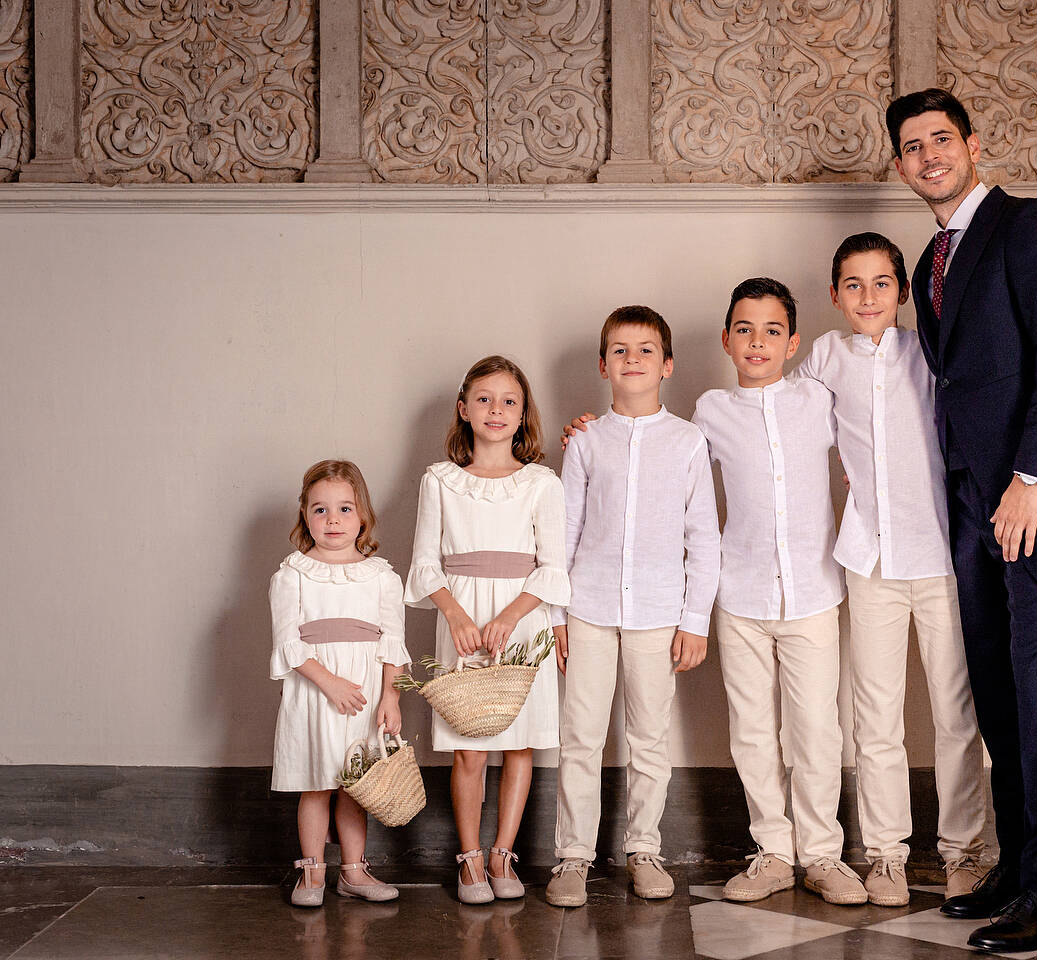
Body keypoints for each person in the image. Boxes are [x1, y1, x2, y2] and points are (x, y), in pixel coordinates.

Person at [886, 87, 1037, 953]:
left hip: (1034, 507)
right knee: (1003, 701)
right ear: (900, 165)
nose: (929, 156)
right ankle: (1020, 869)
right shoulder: (929, 261)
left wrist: (1031, 480)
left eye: (942, 139)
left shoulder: (1028, 224)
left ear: (973, 143)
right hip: (970, 513)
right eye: (912, 147)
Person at [793, 233, 988, 907]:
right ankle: (884, 854)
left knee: (956, 713)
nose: (868, 296)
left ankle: (964, 849)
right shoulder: (823, 356)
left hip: (941, 558)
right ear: (835, 294)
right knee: (874, 715)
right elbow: (779, 421)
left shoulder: (928, 352)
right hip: (868, 560)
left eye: (882, 283)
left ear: (904, 291)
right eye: (854, 284)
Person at [690, 278, 865, 905]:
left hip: (815, 591)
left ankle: (822, 853)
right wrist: (590, 432)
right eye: (744, 330)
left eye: (771, 331)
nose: (757, 342)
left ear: (792, 342)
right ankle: (772, 852)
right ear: (726, 340)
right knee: (753, 728)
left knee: (816, 727)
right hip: (739, 596)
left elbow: (872, 443)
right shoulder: (710, 411)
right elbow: (668, 471)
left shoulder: (818, 399)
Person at [545, 306, 721, 907]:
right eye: (619, 350)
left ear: (667, 365)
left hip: (658, 612)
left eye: (646, 350)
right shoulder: (587, 439)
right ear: (603, 365)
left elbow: (703, 536)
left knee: (649, 737)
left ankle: (644, 847)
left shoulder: (688, 440)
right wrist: (554, 616)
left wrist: (695, 619)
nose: (632, 360)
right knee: (581, 737)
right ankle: (573, 857)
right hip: (588, 608)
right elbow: (563, 530)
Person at [405, 355, 570, 904]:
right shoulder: (441, 480)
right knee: (469, 747)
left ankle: (504, 853)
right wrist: (456, 616)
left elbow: (552, 566)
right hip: (463, 618)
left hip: (520, 619)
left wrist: (509, 617)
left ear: (523, 415)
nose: (495, 410)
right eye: (483, 399)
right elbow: (425, 563)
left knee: (520, 745)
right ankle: (470, 859)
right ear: (463, 409)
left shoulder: (541, 483)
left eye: (509, 401)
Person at [269, 459, 410, 907]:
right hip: (315, 692)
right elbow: (288, 643)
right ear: (305, 516)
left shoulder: (382, 577)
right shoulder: (292, 574)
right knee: (316, 784)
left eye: (345, 509)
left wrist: (391, 696)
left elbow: (393, 644)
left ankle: (353, 871)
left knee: (356, 784)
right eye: (320, 510)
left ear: (363, 516)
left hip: (365, 696)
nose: (333, 520)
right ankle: (311, 873)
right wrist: (328, 682)